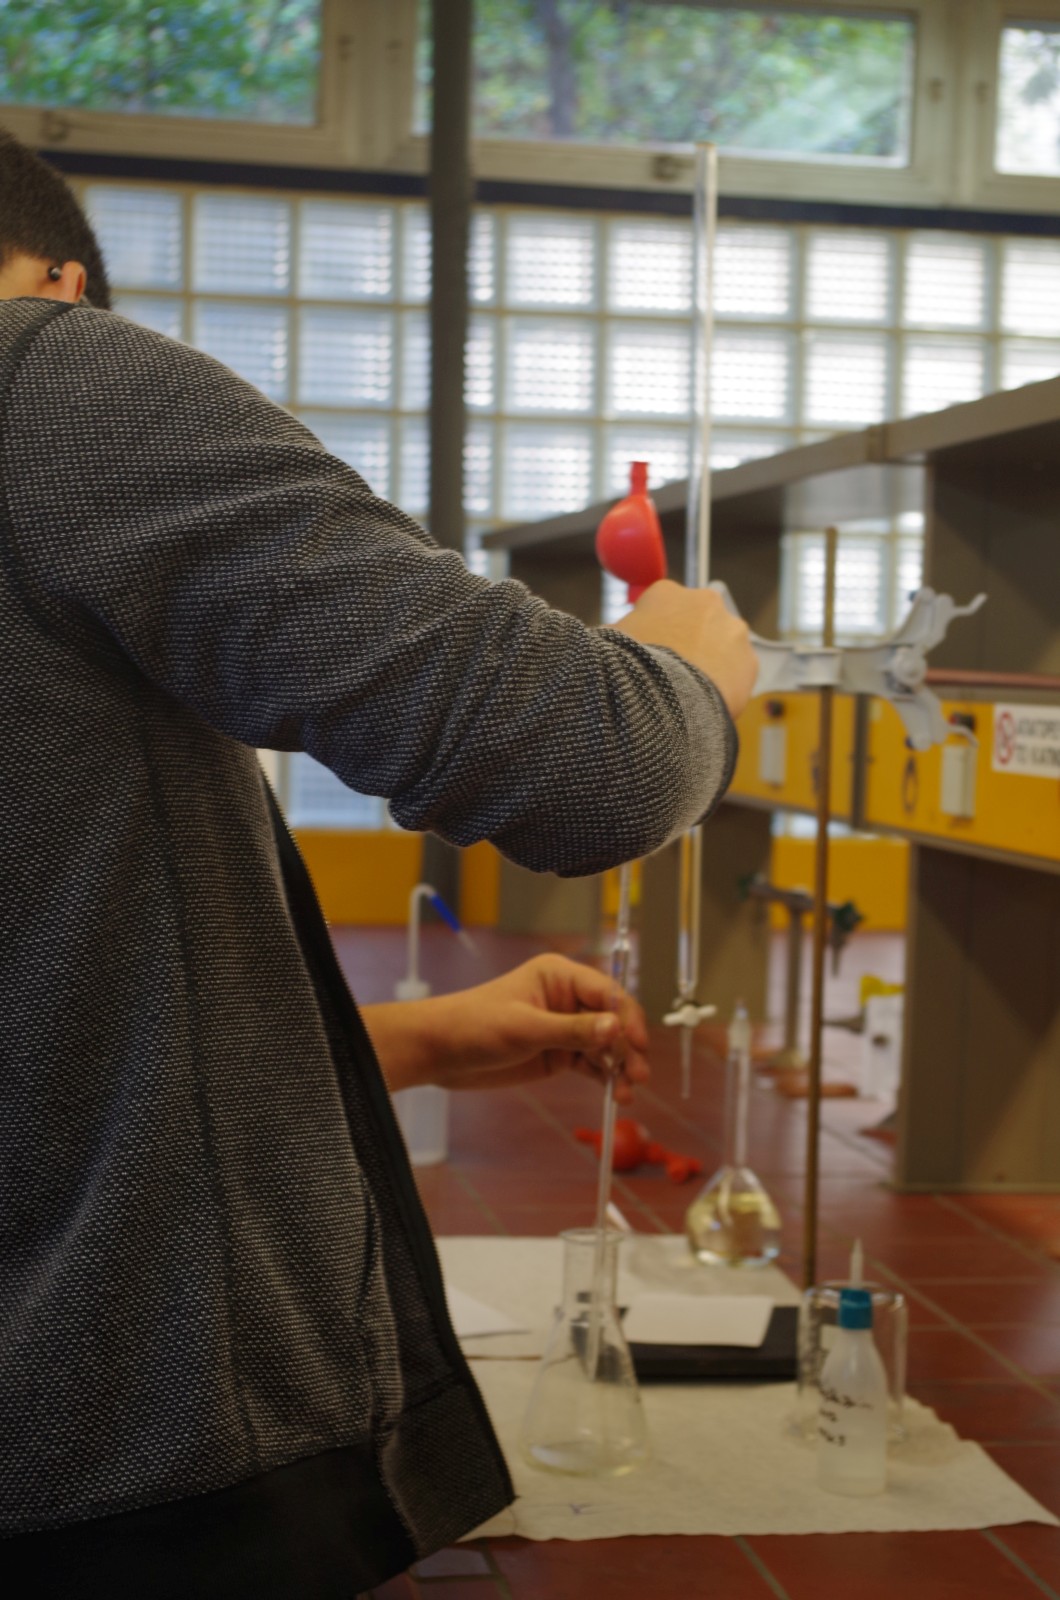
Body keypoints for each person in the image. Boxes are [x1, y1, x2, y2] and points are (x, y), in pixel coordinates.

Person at [0, 130, 756, 1596]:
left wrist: (397, 1044)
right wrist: (686, 675)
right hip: (131, 1461)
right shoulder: (46, 380)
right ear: (65, 285)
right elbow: (594, 765)